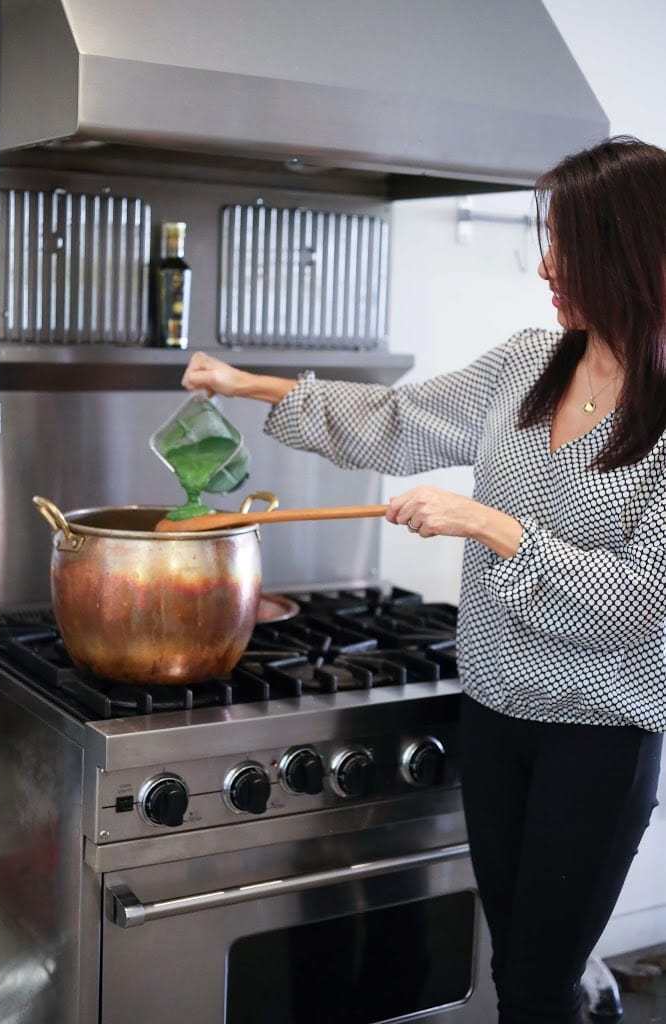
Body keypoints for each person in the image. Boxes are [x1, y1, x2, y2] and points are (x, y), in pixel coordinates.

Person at [181, 135, 666, 1024]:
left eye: (568, 243)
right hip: (493, 715)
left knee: (534, 982)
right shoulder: (529, 362)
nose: (547, 264)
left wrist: (492, 526)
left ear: (631, 252)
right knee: (514, 962)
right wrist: (246, 384)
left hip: (599, 740)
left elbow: (644, 605)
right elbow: (398, 422)